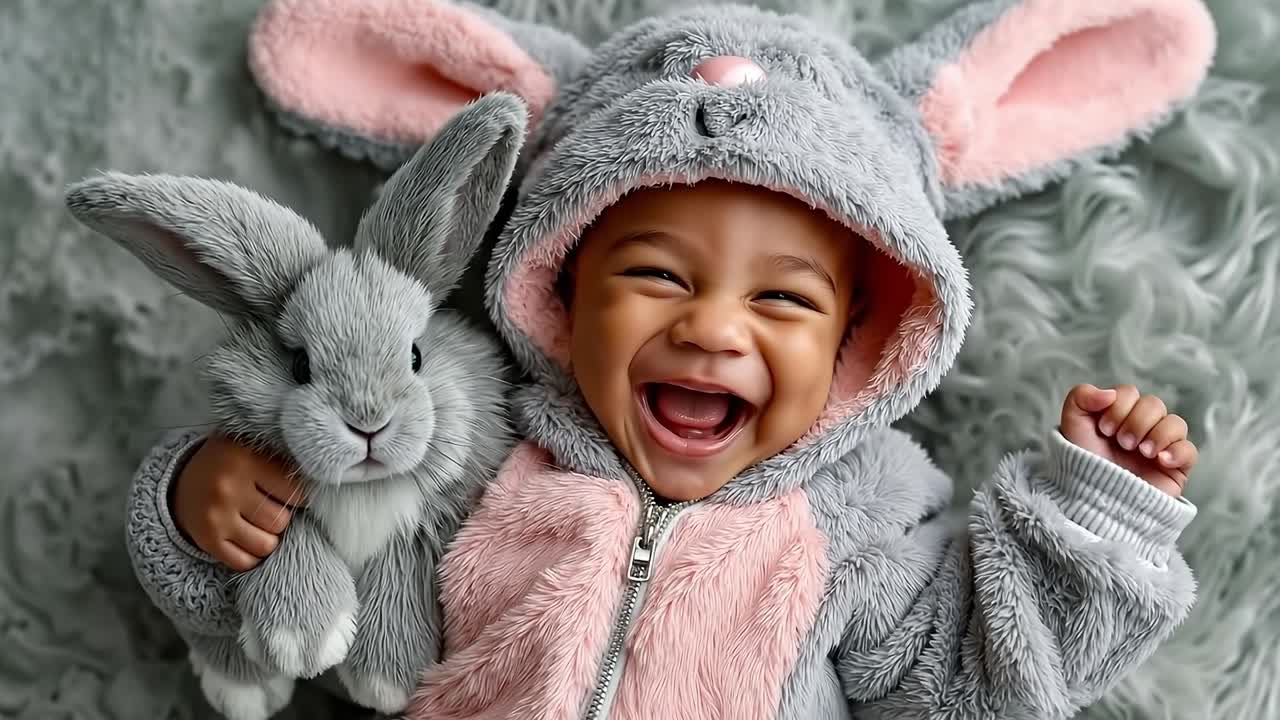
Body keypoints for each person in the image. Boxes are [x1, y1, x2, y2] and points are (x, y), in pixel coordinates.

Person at [127, 1, 1217, 718]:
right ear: (558, 287)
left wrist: (1092, 517)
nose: (710, 329)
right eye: (655, 276)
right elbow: (304, 603)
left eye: (783, 298)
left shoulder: (864, 518)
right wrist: (203, 514)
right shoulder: (479, 445)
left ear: (857, 333)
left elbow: (972, 686)